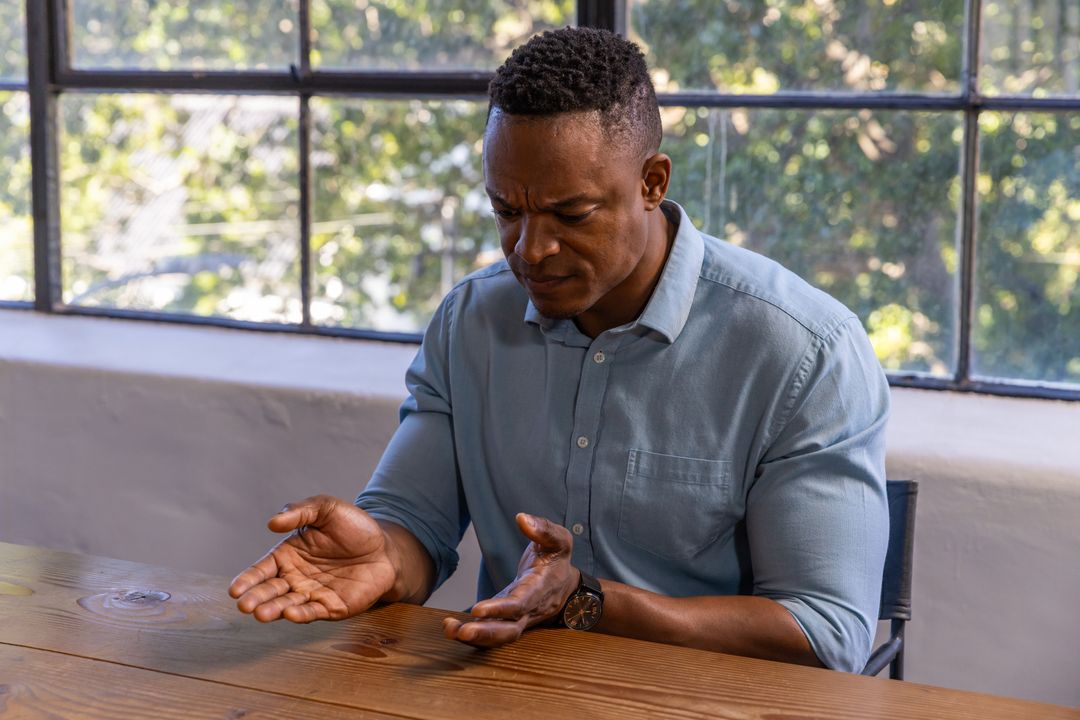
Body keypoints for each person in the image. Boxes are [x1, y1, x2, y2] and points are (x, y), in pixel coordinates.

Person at [229, 26, 890, 673]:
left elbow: (825, 633)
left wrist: (587, 603)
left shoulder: (804, 352)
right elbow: (412, 527)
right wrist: (384, 555)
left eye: (571, 215)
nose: (529, 249)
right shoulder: (470, 322)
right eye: (506, 212)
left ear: (652, 182)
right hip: (511, 692)